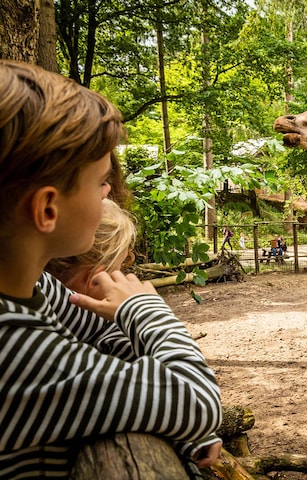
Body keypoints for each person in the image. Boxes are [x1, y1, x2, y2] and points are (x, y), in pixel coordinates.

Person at [0, 60, 222, 479]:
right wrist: (145, 309)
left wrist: (170, 416)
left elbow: (104, 337)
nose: (109, 193)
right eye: (101, 183)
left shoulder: (39, 288)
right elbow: (199, 399)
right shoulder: (11, 346)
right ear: (48, 208)